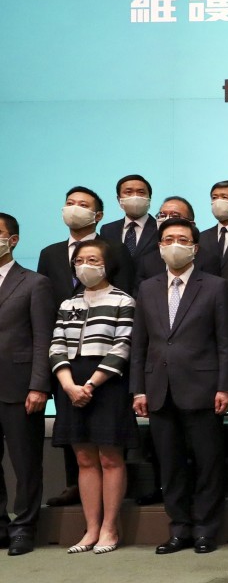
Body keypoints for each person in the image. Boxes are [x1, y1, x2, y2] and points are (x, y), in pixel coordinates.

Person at [129, 218, 228, 555]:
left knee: (207, 464)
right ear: (159, 247)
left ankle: (205, 528)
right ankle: (179, 529)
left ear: (195, 247)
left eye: (182, 239)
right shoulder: (147, 287)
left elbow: (225, 343)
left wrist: (225, 386)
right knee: (170, 465)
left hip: (203, 388)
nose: (175, 244)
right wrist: (139, 389)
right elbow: (140, 344)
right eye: (169, 238)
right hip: (159, 389)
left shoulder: (215, 286)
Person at [50, 238, 138, 554]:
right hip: (70, 385)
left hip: (108, 385)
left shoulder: (124, 301)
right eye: (79, 260)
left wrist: (91, 384)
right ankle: (90, 529)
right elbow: (56, 345)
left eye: (92, 259)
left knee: (109, 458)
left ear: (107, 263)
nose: (85, 265)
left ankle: (110, 529)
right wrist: (69, 385)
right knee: (84, 459)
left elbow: (122, 346)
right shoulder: (67, 304)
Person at [38, 186, 112, 509]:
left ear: (98, 214)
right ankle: (72, 484)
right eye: (70, 203)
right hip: (62, 350)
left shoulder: (113, 249)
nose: (75, 209)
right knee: (71, 421)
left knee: (103, 430)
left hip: (103, 351)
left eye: (83, 205)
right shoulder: (50, 253)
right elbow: (41, 301)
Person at [0, 213, 54, 556]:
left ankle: (24, 526)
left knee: (25, 461)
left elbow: (42, 340)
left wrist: (39, 386)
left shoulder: (34, 283)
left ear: (13, 239)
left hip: (20, 387)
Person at [98, 174, 156, 293]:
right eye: (128, 192)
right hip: (115, 297)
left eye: (141, 192)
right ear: (119, 199)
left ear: (149, 198)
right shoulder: (107, 230)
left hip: (151, 294)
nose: (135, 196)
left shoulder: (161, 229)